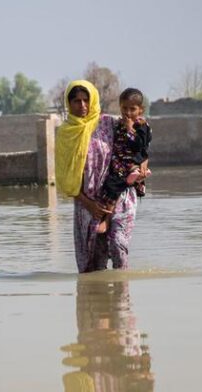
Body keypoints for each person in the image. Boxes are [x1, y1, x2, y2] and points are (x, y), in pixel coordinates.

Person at [55, 80, 140, 272]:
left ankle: (122, 295)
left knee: (119, 245)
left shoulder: (109, 123)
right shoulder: (65, 133)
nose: (82, 106)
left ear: (93, 100)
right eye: (77, 101)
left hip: (118, 196)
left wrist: (141, 167)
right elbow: (65, 177)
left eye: (86, 100)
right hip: (87, 202)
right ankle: (95, 299)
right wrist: (89, 204)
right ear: (69, 103)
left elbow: (133, 147)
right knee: (92, 263)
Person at [98, 88, 152, 234]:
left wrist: (130, 129)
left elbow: (140, 145)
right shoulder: (117, 124)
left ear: (141, 110)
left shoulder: (142, 126)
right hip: (118, 162)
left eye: (132, 109)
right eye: (124, 108)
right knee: (108, 185)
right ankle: (130, 178)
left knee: (112, 187)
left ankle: (106, 219)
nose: (128, 113)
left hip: (131, 162)